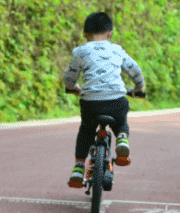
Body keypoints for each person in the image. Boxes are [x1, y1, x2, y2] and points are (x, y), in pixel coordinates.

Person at [62, 11, 145, 188]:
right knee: (121, 121)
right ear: (110, 33)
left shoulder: (80, 51)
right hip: (116, 100)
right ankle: (122, 138)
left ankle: (78, 167)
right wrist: (139, 88)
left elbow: (68, 77)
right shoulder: (117, 50)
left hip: (91, 103)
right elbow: (135, 70)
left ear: (85, 35)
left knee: (86, 130)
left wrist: (73, 88)